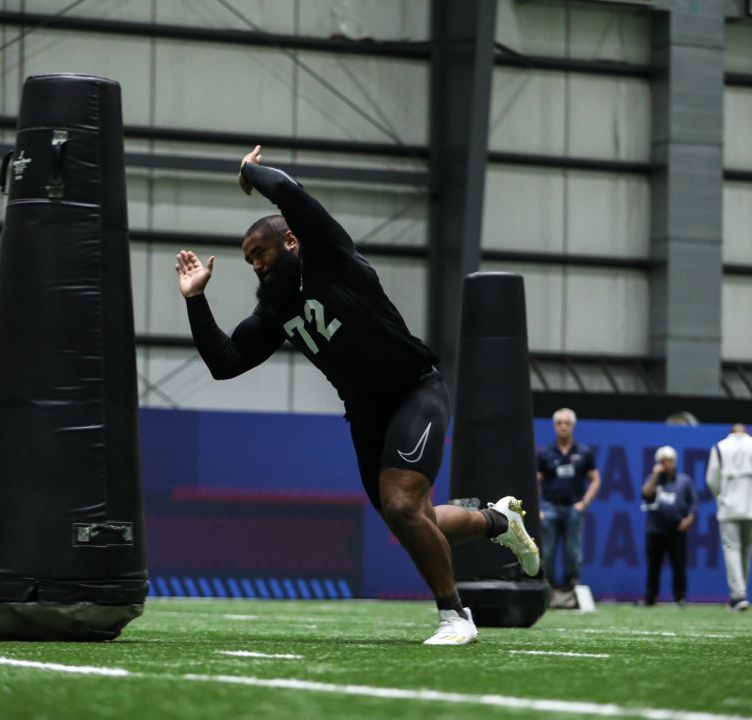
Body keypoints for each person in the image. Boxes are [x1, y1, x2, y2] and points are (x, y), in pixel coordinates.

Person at [173, 145, 540, 645]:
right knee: (412, 518)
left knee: (403, 505)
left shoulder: (330, 257)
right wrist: (196, 300)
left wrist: (249, 171)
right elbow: (225, 362)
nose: (256, 267)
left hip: (415, 389)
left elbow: (288, 192)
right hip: (366, 415)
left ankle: (456, 617)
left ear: (291, 241)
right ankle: (498, 519)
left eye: (261, 253)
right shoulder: (276, 314)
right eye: (249, 261)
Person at [705, 423, 752, 611]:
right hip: (751, 504)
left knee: (732, 548)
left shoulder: (719, 447)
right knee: (746, 549)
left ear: (730, 432)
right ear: (746, 432)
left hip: (728, 505)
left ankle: (738, 594)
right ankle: (740, 593)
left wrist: (719, 495)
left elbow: (711, 479)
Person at [535, 408, 601, 606]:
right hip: (550, 508)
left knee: (573, 552)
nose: (563, 426)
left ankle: (571, 587)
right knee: (547, 551)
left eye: (567, 423)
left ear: (573, 426)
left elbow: (596, 479)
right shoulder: (546, 453)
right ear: (555, 426)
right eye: (559, 423)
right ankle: (549, 589)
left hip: (573, 508)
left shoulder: (583, 452)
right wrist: (539, 507)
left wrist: (585, 503)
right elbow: (535, 481)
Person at [641, 446, 696, 606]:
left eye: (670, 461)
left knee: (679, 564)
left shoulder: (684, 480)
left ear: (675, 462)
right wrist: (654, 475)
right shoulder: (654, 479)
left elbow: (693, 503)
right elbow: (645, 494)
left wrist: (689, 519)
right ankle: (651, 597)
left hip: (677, 529)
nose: (667, 464)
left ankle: (680, 596)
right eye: (663, 461)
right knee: (654, 565)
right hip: (656, 529)